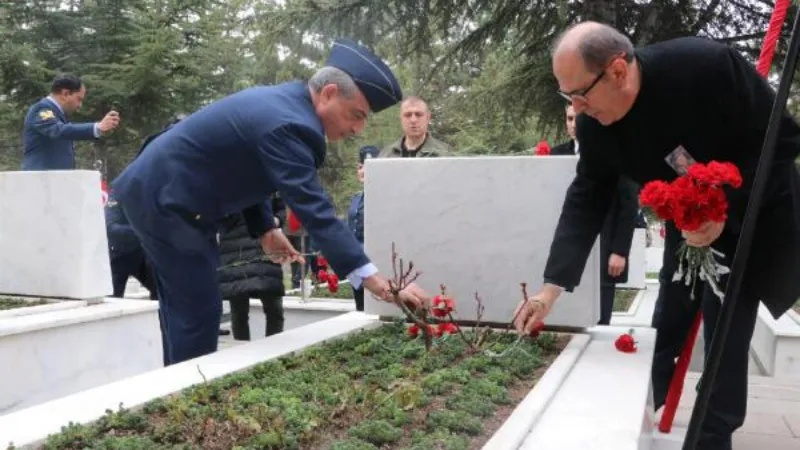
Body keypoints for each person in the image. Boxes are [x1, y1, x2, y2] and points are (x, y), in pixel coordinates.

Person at [513, 22, 800, 449]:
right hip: (685, 223)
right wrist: (550, 290)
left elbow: (782, 141)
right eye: (566, 96)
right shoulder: (596, 124)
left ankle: (712, 435)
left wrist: (726, 212)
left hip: (749, 214)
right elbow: (587, 196)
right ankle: (644, 414)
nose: (576, 108)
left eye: (581, 94)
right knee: (669, 316)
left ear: (617, 71)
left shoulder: (706, 68)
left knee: (726, 332)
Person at [111, 38, 430, 366]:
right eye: (356, 115)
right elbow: (314, 209)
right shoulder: (291, 124)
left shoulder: (284, 104)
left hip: (164, 193)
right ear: (329, 93)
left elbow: (242, 165)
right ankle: (186, 400)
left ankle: (174, 387)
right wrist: (375, 281)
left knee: (185, 307)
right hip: (168, 200)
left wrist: (264, 228)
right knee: (198, 309)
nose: (358, 129)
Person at [551, 103, 639, 325]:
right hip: (571, 244)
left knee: (601, 317)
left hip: (606, 244)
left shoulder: (613, 151)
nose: (573, 124)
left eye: (577, 118)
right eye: (569, 119)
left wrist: (620, 250)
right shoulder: (555, 155)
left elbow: (628, 204)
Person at [217, 194, 287, 339]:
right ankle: (243, 353)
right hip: (234, 248)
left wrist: (275, 220)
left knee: (274, 306)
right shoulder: (223, 179)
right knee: (239, 309)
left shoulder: (267, 177)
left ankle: (273, 352)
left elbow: (281, 208)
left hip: (264, 244)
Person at [22, 74, 120, 170]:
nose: (79, 105)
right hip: (40, 180)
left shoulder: (56, 113)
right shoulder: (42, 108)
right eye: (79, 99)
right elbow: (57, 130)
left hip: (53, 180)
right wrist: (97, 127)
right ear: (65, 94)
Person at [348, 145, 381, 311]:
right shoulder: (356, 198)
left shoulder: (383, 199)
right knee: (359, 310)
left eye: (369, 167)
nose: (363, 171)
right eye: (361, 167)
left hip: (374, 264)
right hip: (356, 263)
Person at [379, 96, 452, 158]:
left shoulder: (445, 153)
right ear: (401, 118)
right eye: (407, 115)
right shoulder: (386, 155)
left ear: (428, 117)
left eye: (418, 114)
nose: (413, 120)